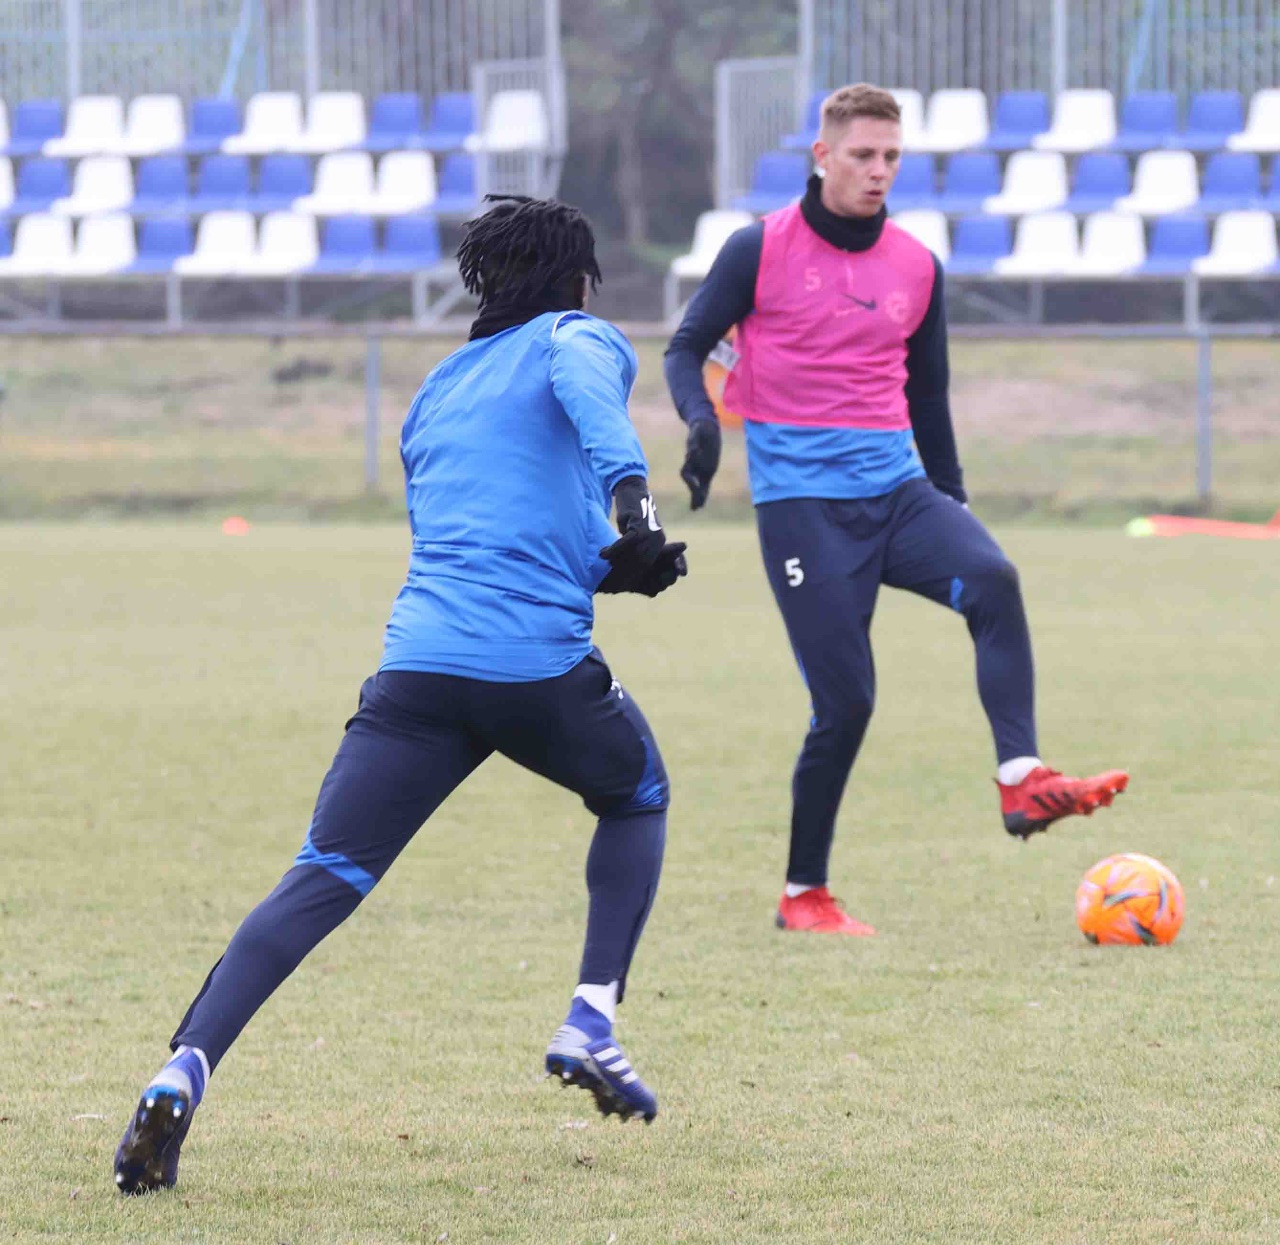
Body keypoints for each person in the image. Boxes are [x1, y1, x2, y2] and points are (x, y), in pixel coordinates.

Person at [114, 195, 688, 1195]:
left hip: (418, 668)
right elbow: (590, 400)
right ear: (576, 282)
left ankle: (182, 1068)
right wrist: (633, 512)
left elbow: (486, 533)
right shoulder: (576, 336)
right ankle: (591, 1017)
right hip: (534, 670)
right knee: (635, 793)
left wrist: (610, 566)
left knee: (323, 873)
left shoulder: (436, 390)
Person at [663, 84, 1127, 936]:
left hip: (900, 490)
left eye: (890, 157)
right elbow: (686, 346)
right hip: (802, 506)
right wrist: (699, 422)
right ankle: (804, 893)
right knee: (847, 704)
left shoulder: (917, 265)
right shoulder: (758, 248)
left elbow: (929, 393)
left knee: (992, 576)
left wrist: (953, 499)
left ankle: (1021, 779)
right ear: (823, 156)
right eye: (862, 155)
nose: (878, 171)